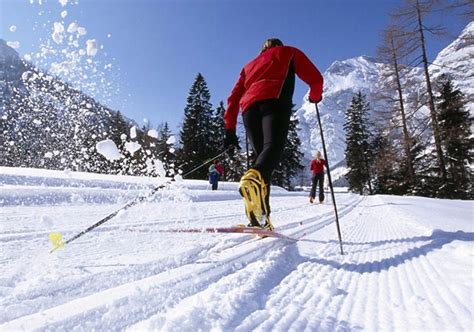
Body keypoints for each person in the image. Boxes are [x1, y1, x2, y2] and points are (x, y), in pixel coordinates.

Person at [223, 38, 323, 230]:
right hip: (274, 103)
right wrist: (314, 97)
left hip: (249, 111)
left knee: (263, 162)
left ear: (262, 49)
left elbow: (233, 98)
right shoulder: (289, 52)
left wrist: (229, 130)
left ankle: (260, 218)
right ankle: (254, 187)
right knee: (272, 149)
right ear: (279, 45)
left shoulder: (249, 66)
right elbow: (316, 79)